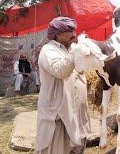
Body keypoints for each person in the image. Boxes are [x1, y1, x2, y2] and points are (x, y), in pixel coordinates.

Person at [35, 17, 90, 154]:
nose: (74, 34)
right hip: (58, 116)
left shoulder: (70, 48)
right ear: (57, 34)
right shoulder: (48, 50)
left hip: (76, 114)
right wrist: (76, 50)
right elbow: (60, 71)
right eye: (69, 31)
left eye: (74, 30)